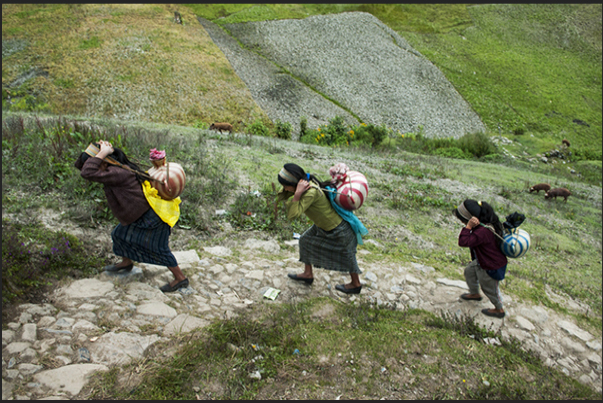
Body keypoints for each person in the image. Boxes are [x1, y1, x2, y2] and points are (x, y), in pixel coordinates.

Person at [74, 140, 188, 293]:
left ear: (106, 161)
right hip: (138, 215)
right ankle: (126, 263)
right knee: (119, 234)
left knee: (159, 249)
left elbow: (87, 172)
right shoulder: (113, 170)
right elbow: (84, 168)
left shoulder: (117, 173)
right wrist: (99, 152)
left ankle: (181, 279)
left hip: (150, 217)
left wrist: (101, 153)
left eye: (98, 160)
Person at [277, 163, 363, 294]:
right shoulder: (304, 185)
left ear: (295, 184)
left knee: (348, 255)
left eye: (285, 186)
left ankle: (356, 284)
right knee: (305, 240)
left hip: (338, 228)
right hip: (322, 226)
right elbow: (283, 195)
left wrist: (297, 194)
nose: (285, 189)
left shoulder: (310, 192)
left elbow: (292, 215)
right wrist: (294, 191)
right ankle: (308, 274)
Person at [454, 199, 508, 318]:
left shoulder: (483, 231)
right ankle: (474, 294)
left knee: (490, 289)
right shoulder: (487, 223)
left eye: (463, 220)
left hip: (491, 265)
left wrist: (468, 227)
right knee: (469, 272)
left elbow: (463, 242)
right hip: (482, 260)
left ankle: (499, 309)